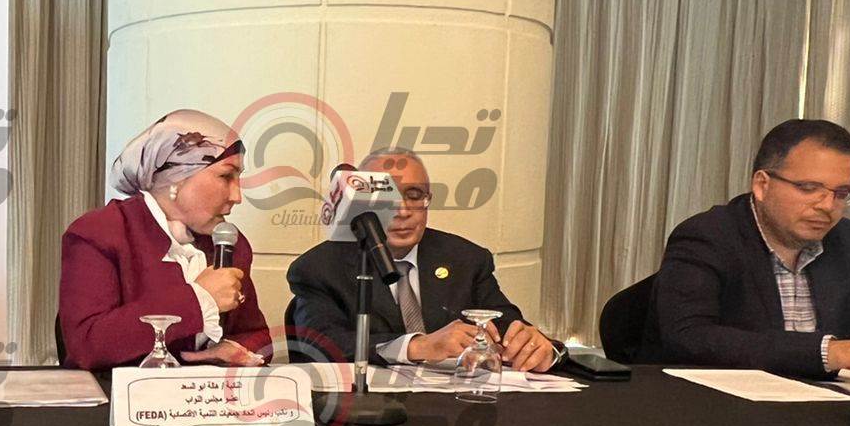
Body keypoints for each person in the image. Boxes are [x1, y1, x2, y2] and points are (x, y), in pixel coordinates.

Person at [653, 118, 850, 377]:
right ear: (762, 185)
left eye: (841, 193)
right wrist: (827, 352)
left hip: (828, 397)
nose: (827, 206)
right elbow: (689, 337)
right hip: (727, 397)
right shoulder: (708, 236)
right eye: (809, 188)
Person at [287, 149, 560, 371]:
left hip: (457, 406)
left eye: (414, 195)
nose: (403, 210)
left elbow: (508, 325)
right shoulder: (320, 267)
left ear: (428, 199)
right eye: (388, 197)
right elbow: (322, 345)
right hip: (369, 408)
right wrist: (419, 346)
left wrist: (540, 348)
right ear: (362, 202)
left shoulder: (466, 259)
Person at [58, 109, 270, 370]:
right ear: (177, 178)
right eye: (226, 176)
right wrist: (200, 299)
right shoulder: (99, 232)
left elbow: (257, 335)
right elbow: (88, 345)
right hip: (115, 393)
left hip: (204, 394)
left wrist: (232, 349)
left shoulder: (230, 243)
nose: (237, 196)